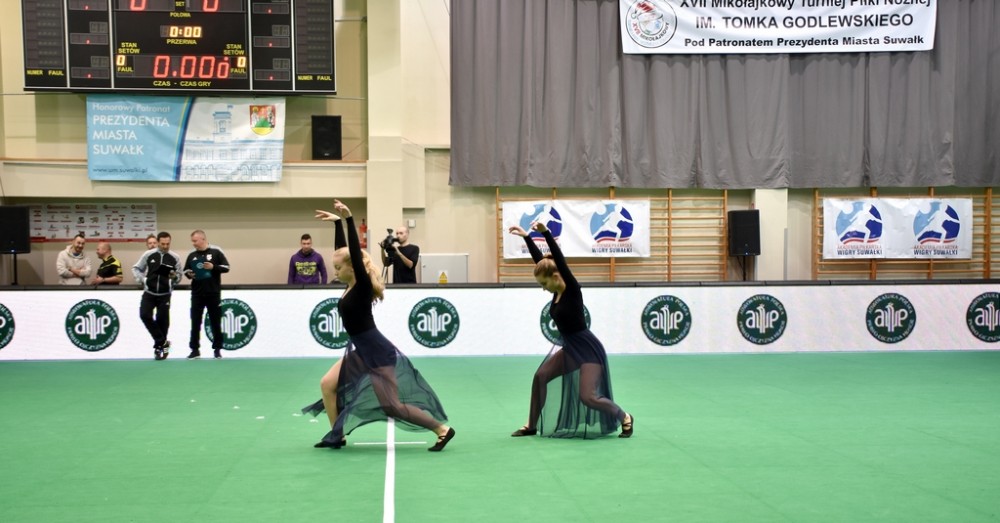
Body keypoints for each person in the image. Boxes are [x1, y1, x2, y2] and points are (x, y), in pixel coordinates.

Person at [302, 200, 455, 452]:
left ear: (353, 268)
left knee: (392, 406)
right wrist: (337, 224)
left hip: (377, 352)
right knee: (328, 384)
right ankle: (337, 435)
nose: (335, 272)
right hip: (362, 351)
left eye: (338, 268)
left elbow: (352, 251)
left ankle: (442, 430)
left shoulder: (361, 286)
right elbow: (343, 251)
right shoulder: (350, 284)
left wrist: (349, 218)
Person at [507, 221, 634, 439]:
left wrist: (546, 233)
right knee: (540, 376)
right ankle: (531, 425)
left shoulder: (572, 289)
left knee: (588, 397)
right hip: (570, 348)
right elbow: (543, 263)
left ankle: (625, 416)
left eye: (544, 284)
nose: (543, 289)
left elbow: (559, 261)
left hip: (588, 350)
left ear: (555, 277)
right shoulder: (554, 287)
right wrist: (527, 237)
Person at [132, 232, 182, 361]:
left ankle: (160, 350)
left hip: (165, 294)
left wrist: (174, 277)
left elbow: (179, 276)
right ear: (158, 242)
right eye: (163, 244)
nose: (165, 246)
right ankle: (163, 342)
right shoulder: (148, 255)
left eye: (167, 244)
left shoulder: (175, 257)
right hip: (149, 293)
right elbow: (136, 268)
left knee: (163, 322)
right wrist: (144, 280)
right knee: (144, 315)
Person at [183, 230, 230, 359]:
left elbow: (227, 267)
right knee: (195, 322)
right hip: (197, 294)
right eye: (192, 241)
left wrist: (213, 267)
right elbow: (185, 270)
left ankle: (217, 349)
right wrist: (189, 274)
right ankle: (194, 350)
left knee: (215, 322)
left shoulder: (216, 252)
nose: (193, 243)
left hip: (213, 293)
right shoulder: (192, 255)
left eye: (195, 241)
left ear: (203, 239)